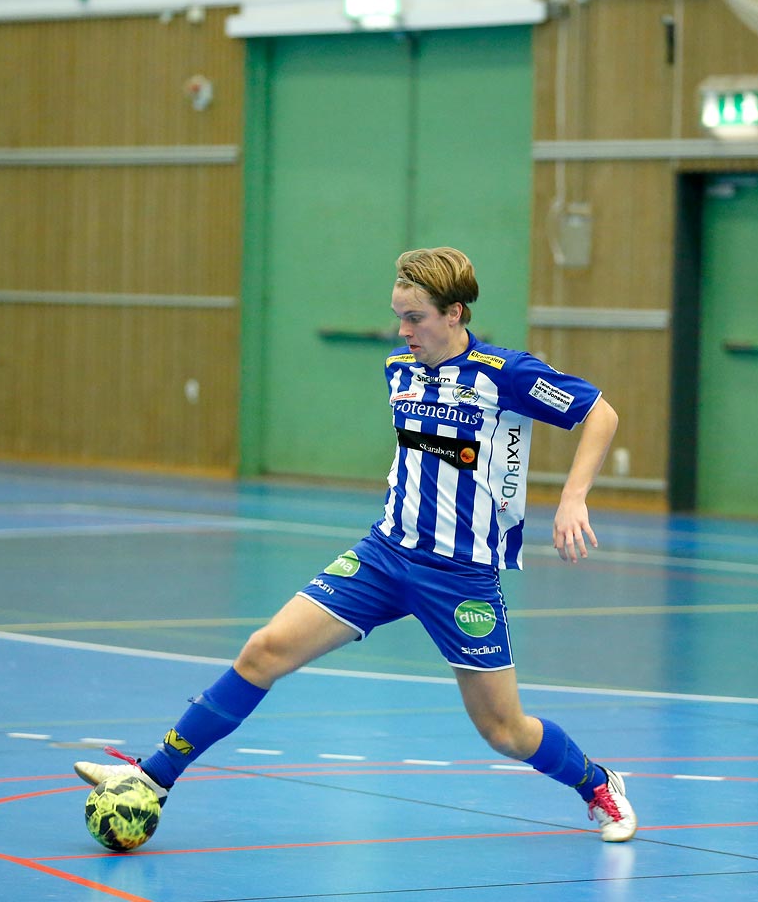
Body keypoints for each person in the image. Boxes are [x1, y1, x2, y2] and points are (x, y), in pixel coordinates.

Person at [75, 246, 636, 842]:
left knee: (505, 731)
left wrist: (573, 497)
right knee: (264, 651)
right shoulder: (400, 369)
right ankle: (152, 777)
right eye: (399, 315)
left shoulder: (507, 374)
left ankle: (597, 783)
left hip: (461, 577)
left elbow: (601, 413)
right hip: (385, 555)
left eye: (415, 317)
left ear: (455, 313)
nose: (403, 330)